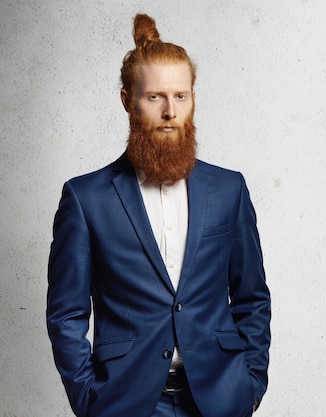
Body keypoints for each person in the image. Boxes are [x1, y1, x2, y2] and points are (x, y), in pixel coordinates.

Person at [46, 13, 271, 417]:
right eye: (155, 97)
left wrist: (251, 384)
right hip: (127, 404)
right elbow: (67, 312)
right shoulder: (85, 198)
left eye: (180, 96)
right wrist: (87, 401)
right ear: (127, 100)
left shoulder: (230, 189)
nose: (170, 111)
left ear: (193, 99)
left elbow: (252, 297)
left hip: (220, 399)